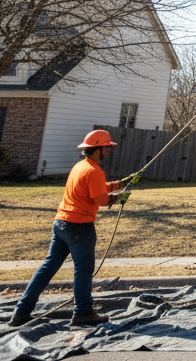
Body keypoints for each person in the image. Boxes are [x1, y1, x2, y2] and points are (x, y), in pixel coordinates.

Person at [8, 130, 125, 327]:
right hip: (79, 227)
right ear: (97, 148)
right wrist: (120, 197)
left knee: (47, 268)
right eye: (107, 146)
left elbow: (96, 188)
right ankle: (83, 312)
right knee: (83, 270)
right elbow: (101, 199)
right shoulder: (95, 170)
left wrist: (119, 184)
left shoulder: (81, 167)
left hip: (60, 223)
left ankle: (21, 312)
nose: (109, 150)